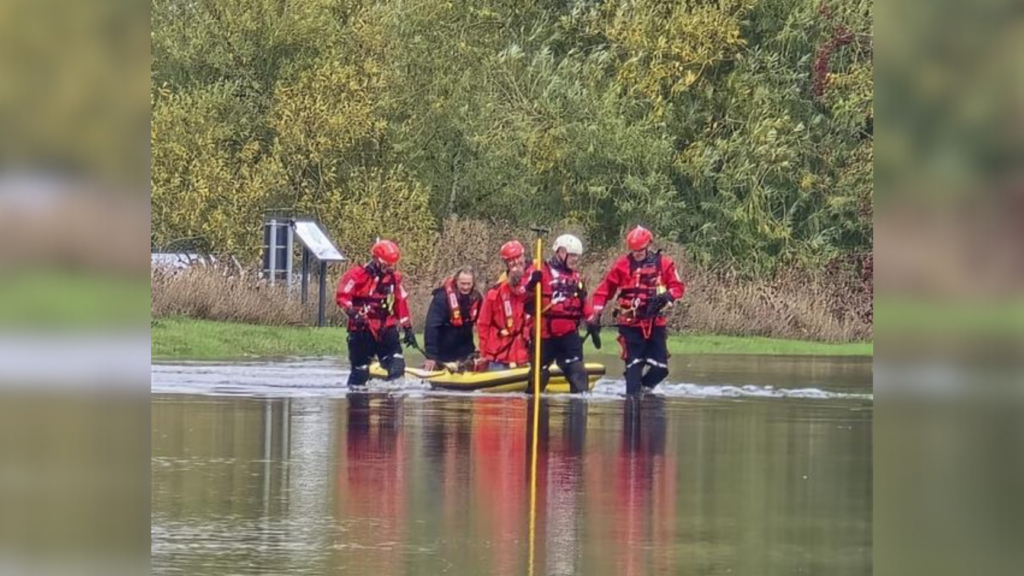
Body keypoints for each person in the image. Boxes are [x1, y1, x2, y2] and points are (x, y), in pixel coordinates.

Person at [588, 226, 685, 395]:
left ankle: (644, 392)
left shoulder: (664, 264)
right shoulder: (622, 265)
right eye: (634, 251)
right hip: (630, 324)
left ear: (648, 246)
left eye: (640, 251)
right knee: (634, 368)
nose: (637, 254)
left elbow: (678, 287)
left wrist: (667, 296)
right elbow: (605, 290)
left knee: (660, 369)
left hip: (655, 323)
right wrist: (596, 312)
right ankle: (632, 401)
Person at [335, 239, 419, 387]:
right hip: (362, 328)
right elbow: (342, 296)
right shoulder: (357, 275)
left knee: (397, 366)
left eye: (392, 265)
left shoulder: (394, 279)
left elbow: (401, 302)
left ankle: (392, 402)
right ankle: (356, 399)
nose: (389, 268)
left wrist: (407, 328)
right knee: (360, 371)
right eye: (386, 265)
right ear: (376, 260)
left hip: (386, 326)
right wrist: (353, 313)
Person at [523, 234, 593, 394]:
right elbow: (522, 296)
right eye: (573, 255)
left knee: (578, 373)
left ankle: (577, 413)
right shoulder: (540, 271)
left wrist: (592, 320)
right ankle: (534, 406)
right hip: (544, 335)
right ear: (561, 252)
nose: (575, 259)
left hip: (568, 336)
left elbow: (583, 304)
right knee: (538, 376)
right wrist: (532, 284)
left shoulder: (576, 278)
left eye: (577, 256)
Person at [477, 240, 530, 370]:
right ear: (506, 263)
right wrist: (483, 353)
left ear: (523, 256)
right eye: (511, 260)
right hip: (500, 354)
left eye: (518, 257)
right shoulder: (495, 293)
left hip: (526, 353)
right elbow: (483, 324)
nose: (516, 262)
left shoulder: (535, 287)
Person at [423, 267, 482, 370]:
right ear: (456, 281)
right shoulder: (442, 297)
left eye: (469, 284)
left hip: (466, 352)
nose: (465, 287)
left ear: (473, 283)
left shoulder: (477, 298)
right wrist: (431, 356)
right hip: (442, 353)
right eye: (462, 284)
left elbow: (485, 324)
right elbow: (431, 326)